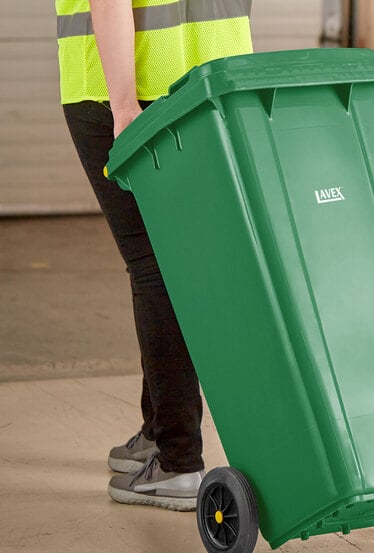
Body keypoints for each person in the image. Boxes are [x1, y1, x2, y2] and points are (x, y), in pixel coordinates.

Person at [55, 0, 253, 510]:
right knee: (181, 262)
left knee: (154, 267)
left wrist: (124, 110)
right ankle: (159, 428)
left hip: (128, 89)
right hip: (215, 80)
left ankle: (177, 459)